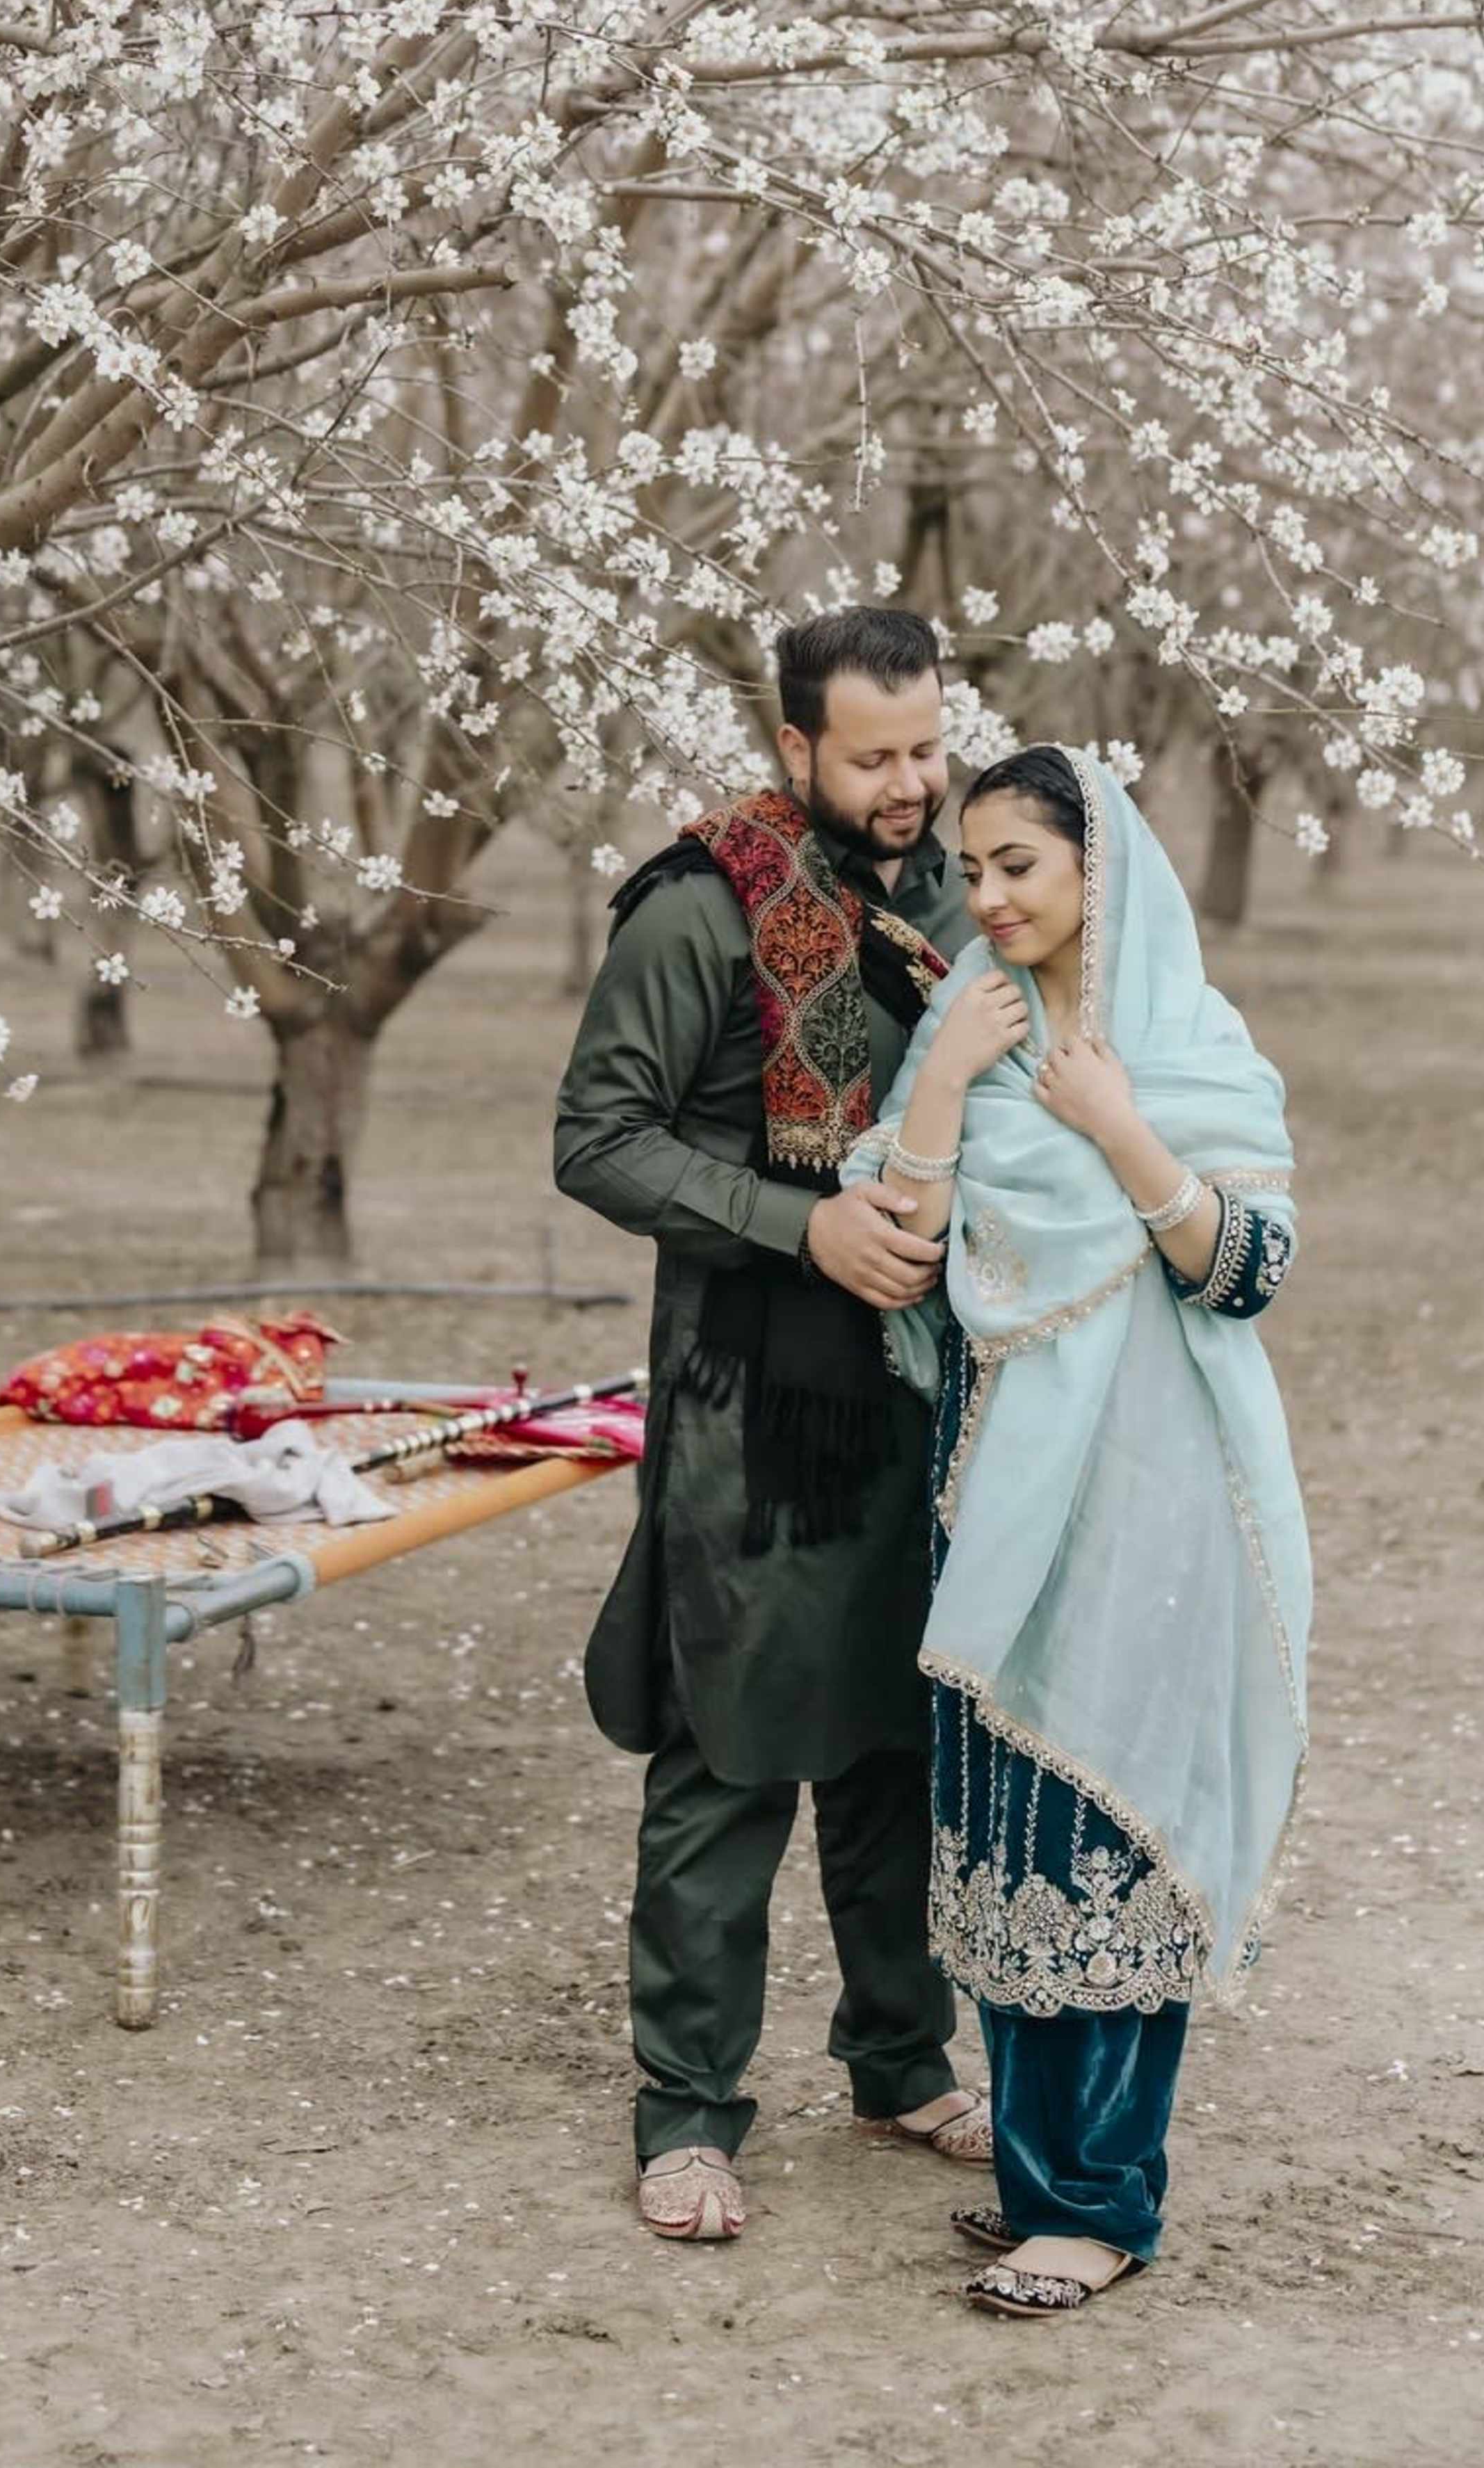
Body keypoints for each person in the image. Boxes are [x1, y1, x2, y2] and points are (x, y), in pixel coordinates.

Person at [848, 741, 1309, 2317]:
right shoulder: (969, 1020)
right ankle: (1043, 2176)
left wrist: (1118, 1127)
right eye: (971, 869)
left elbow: (1248, 1267)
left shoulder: (1186, 1041)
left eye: (1019, 865)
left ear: (1095, 869)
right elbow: (897, 1243)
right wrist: (937, 1079)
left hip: (1149, 1499)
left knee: (1111, 1822)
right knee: (1011, 1818)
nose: (987, 895)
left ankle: (1104, 2202)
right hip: (993, 1488)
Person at [551, 606, 994, 2241]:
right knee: (732, 1751)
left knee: (897, 1738)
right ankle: (687, 2107)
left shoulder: (959, 889)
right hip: (754, 1393)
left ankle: (900, 2058)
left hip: (927, 1397)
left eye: (926, 746)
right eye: (873, 755)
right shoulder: (696, 905)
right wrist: (798, 1221)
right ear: (795, 745)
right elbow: (598, 1139)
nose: (909, 782)